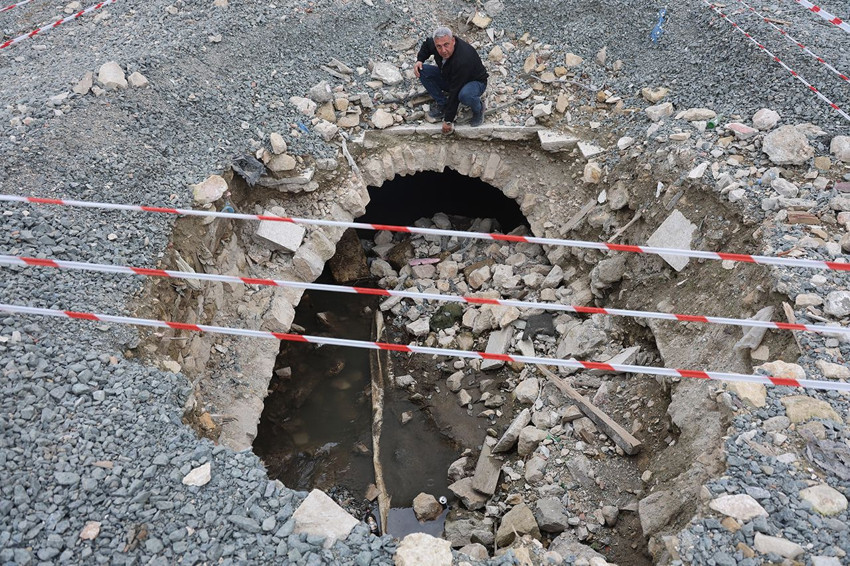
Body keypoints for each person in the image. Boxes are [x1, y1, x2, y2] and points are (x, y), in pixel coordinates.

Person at [414, 26, 488, 133]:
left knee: (464, 95)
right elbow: (426, 45)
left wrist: (448, 120)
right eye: (439, 46)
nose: (443, 50)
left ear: (453, 41)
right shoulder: (436, 43)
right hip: (450, 76)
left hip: (474, 82)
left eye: (446, 45)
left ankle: (479, 108)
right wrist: (419, 60)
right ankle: (443, 104)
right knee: (422, 70)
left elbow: (455, 90)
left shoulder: (463, 58)